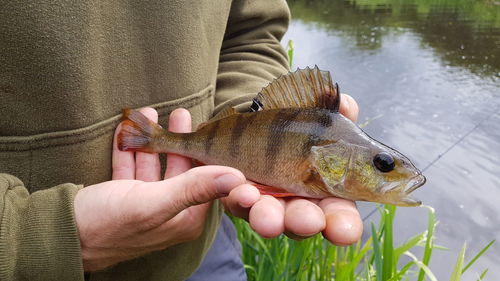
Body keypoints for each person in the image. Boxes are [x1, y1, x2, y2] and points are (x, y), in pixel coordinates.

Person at [0, 1, 363, 280]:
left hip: (201, 241)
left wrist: (246, 105)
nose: (385, 171)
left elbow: (250, 36)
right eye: (382, 165)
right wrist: (31, 236)